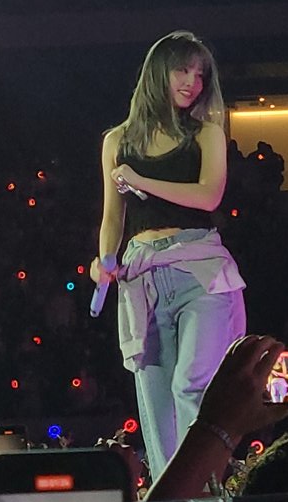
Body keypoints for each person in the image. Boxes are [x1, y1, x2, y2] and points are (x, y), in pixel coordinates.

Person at [91, 32, 246, 479]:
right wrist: (104, 260)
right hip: (143, 274)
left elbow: (209, 196)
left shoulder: (206, 133)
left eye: (200, 74)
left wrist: (140, 180)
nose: (192, 82)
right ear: (159, 72)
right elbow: (113, 217)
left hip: (201, 270)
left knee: (193, 383)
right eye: (183, 70)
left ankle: (209, 484)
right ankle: (170, 494)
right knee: (156, 397)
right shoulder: (117, 141)